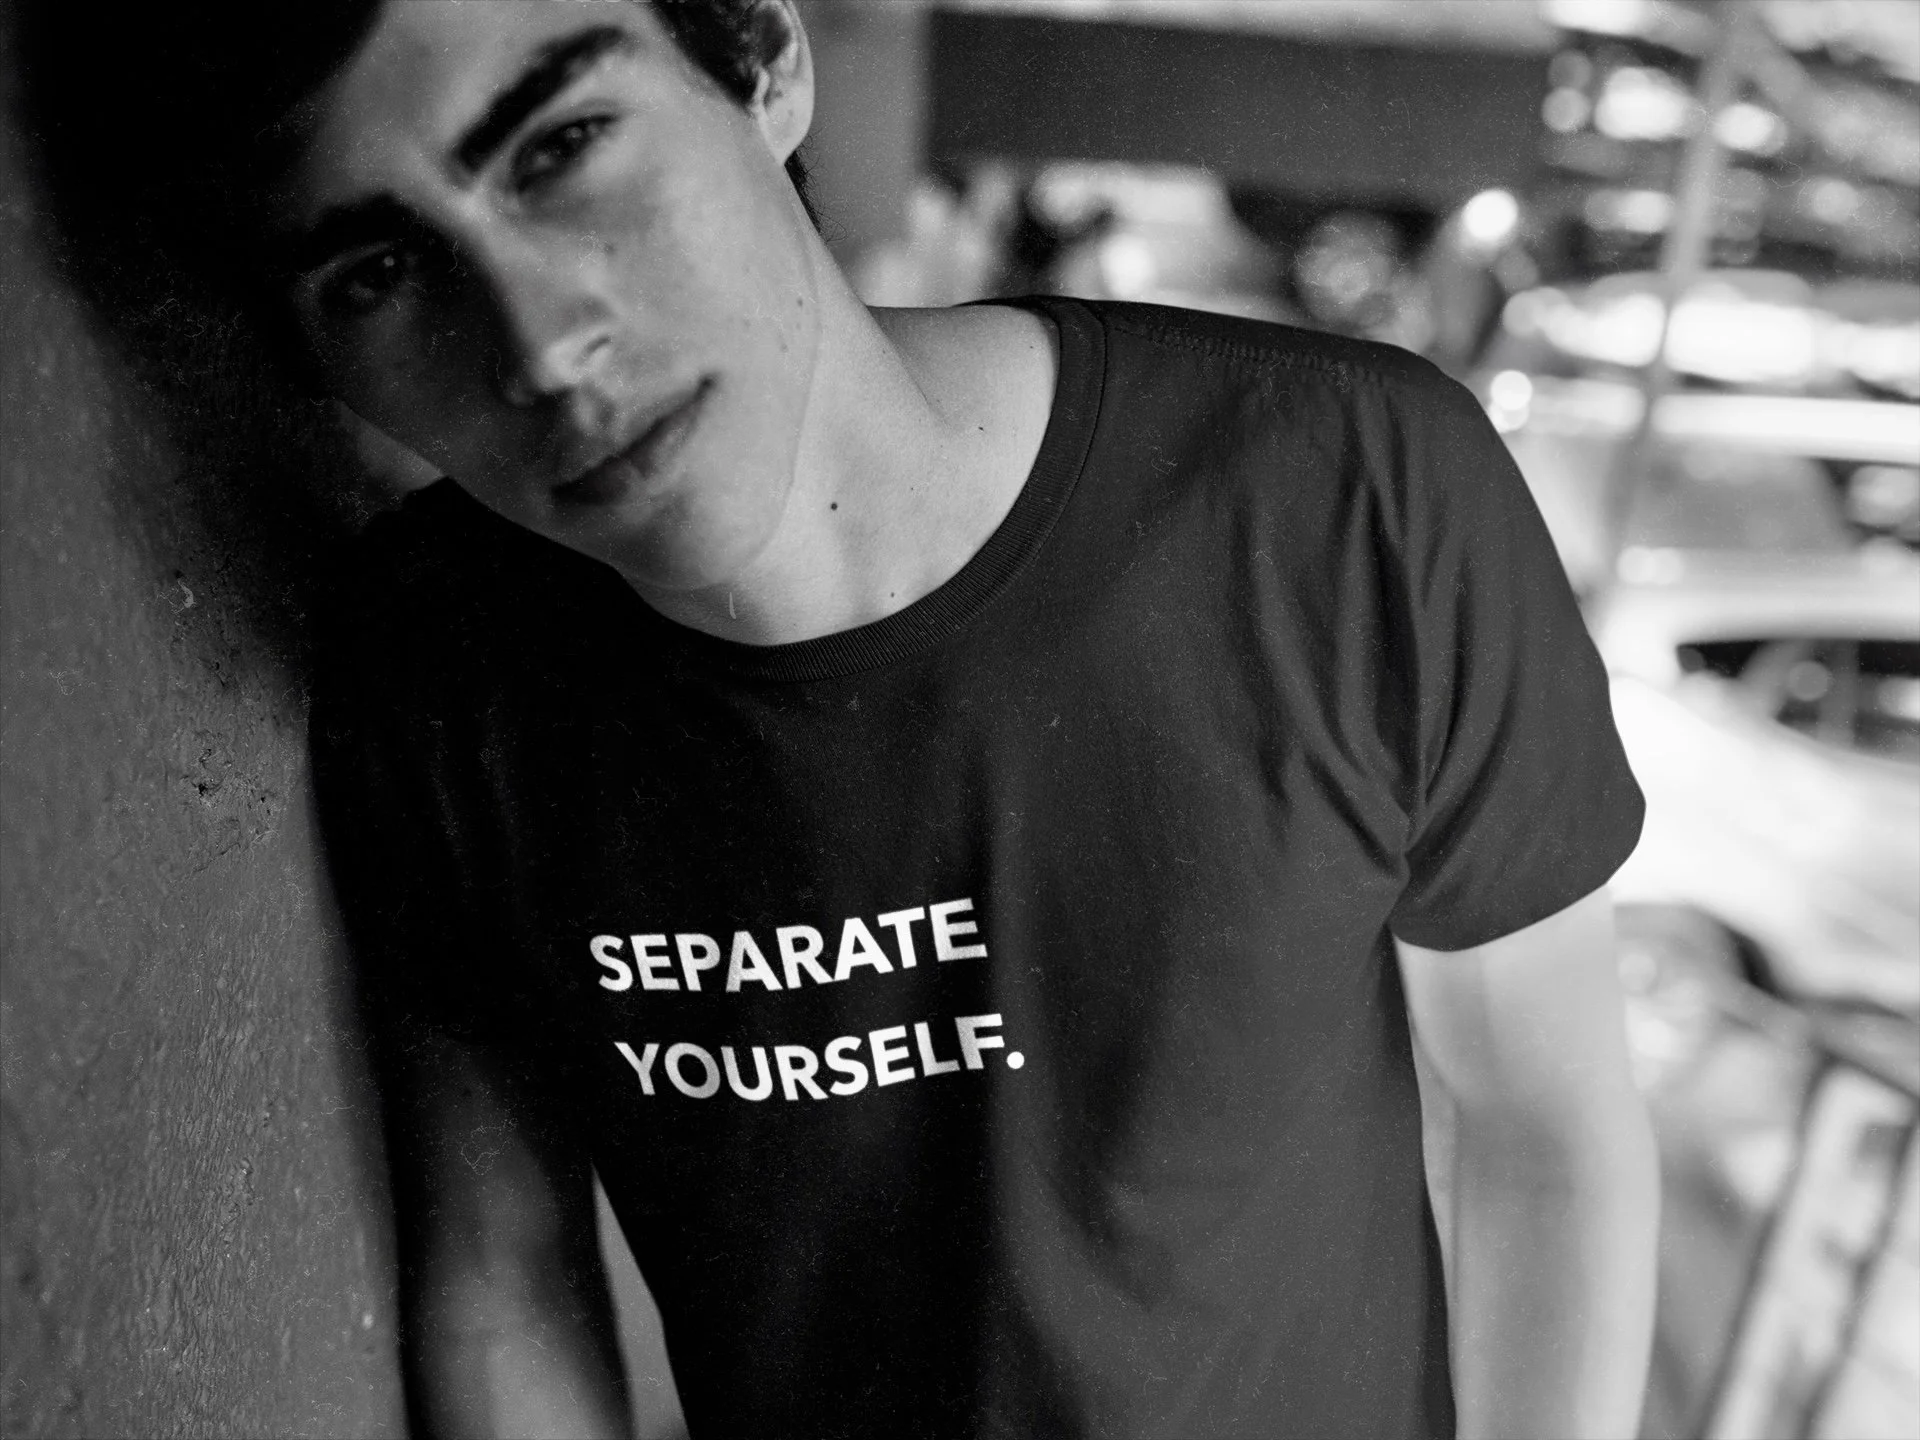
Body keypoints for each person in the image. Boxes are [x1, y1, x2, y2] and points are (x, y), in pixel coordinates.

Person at [27, 2, 1660, 1435]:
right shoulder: (434, 669)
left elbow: (1550, 1130)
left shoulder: (1346, 487)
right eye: (380, 268)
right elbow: (505, 1268)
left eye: (562, 146)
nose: (542, 344)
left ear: (766, 57)